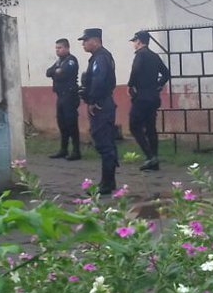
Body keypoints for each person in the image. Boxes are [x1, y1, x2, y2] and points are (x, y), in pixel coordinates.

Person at [78, 27, 118, 195]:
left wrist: (93, 100)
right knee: (106, 142)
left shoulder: (100, 58)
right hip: (103, 103)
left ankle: (106, 185)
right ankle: (109, 181)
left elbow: (99, 81)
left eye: (85, 41)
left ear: (95, 40)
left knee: (104, 144)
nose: (83, 44)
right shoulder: (99, 57)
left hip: (101, 105)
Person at [127, 30, 171, 171]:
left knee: (134, 126)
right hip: (153, 97)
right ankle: (154, 162)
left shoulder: (140, 55)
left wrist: (130, 85)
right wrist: (158, 86)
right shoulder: (154, 56)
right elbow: (166, 74)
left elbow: (135, 70)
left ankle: (150, 156)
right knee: (150, 128)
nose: (133, 44)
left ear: (139, 41)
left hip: (141, 97)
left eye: (134, 41)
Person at [45, 37, 81, 160]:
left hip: (70, 96)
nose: (57, 50)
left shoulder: (71, 60)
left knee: (71, 123)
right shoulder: (59, 61)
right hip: (60, 96)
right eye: (56, 48)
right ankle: (63, 149)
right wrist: (56, 71)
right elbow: (48, 72)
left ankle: (76, 151)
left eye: (60, 48)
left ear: (66, 48)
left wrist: (56, 73)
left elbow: (64, 74)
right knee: (62, 123)